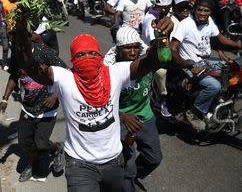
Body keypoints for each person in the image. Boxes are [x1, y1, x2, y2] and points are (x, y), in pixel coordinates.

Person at [15, 15, 173, 192]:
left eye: (92, 53)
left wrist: (162, 39)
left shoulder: (116, 73)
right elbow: (29, 66)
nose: (87, 58)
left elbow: (151, 61)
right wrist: (21, 31)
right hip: (79, 165)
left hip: (113, 161)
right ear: (73, 60)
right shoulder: (64, 78)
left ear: (99, 55)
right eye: (81, 54)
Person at [0, 38, 67, 182]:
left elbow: (66, 73)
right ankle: (32, 163)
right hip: (28, 108)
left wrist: (55, 94)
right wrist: (4, 99)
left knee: (40, 143)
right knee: (24, 143)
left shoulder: (45, 53)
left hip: (47, 108)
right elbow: (14, 76)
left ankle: (56, 149)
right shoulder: (17, 55)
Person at [103, 27, 162, 192]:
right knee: (127, 170)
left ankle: (126, 178)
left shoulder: (146, 61)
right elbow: (100, 103)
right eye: (127, 47)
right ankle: (126, 181)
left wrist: (163, 39)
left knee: (154, 158)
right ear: (118, 48)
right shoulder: (109, 69)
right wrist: (122, 115)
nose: (132, 51)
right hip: (119, 122)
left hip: (145, 116)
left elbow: (169, 57)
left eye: (136, 47)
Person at [170, 0, 242, 130]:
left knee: (235, 68)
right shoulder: (186, 24)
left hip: (205, 62)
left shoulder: (209, 21)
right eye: (200, 10)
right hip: (191, 65)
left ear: (210, 12)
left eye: (206, 10)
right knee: (214, 86)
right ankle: (194, 112)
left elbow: (220, 38)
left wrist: (239, 46)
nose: (203, 13)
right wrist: (187, 67)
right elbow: (172, 48)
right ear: (194, 10)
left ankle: (225, 107)